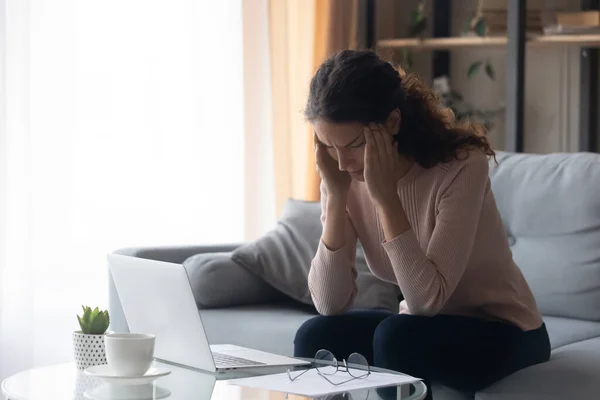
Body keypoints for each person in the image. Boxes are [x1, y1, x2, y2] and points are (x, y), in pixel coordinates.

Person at [293, 49, 551, 399]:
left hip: (504, 329)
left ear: (392, 123)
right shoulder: (342, 176)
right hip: (421, 325)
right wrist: (336, 198)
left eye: (353, 145)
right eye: (327, 146)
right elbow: (329, 302)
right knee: (315, 335)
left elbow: (426, 301)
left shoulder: (459, 168)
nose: (341, 163)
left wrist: (386, 198)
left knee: (397, 336)